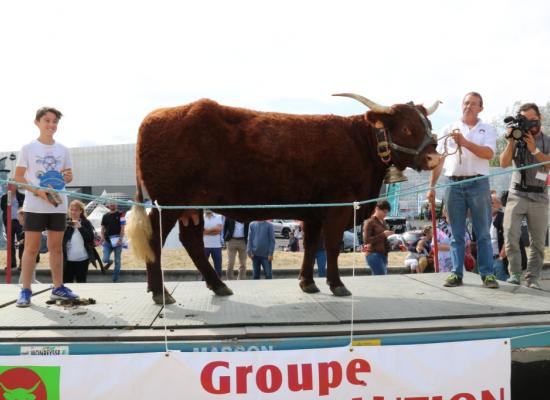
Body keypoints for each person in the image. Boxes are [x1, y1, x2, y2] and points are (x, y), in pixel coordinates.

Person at [427, 92, 498, 289]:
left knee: (482, 232)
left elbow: (489, 154)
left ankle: (487, 274)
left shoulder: (488, 129)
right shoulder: (448, 128)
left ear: (481, 108)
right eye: (466, 102)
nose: (469, 106)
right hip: (453, 184)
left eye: (474, 104)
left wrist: (465, 143)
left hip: (479, 183)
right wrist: (431, 187)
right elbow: (439, 160)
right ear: (461, 105)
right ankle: (456, 273)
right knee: (456, 234)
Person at [14, 106, 78, 307]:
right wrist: (39, 192)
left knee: (56, 248)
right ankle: (25, 290)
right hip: (34, 205)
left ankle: (58, 287)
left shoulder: (63, 150)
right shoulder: (28, 148)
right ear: (37, 123)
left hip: (58, 206)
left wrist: (68, 176)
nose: (51, 125)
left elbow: (68, 176)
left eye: (55, 122)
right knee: (31, 249)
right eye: (47, 121)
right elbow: (18, 178)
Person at [499, 103, 550, 290]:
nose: (529, 125)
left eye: (533, 120)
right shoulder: (516, 137)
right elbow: (503, 163)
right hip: (517, 194)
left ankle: (533, 278)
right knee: (510, 235)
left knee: (537, 242)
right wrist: (510, 141)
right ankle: (515, 274)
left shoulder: (548, 140)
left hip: (540, 197)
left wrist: (534, 150)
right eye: (525, 121)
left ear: (540, 118)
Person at [63, 200, 103, 283]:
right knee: (67, 282)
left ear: (81, 211)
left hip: (82, 259)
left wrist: (80, 227)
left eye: (76, 210)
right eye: (71, 210)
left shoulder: (86, 223)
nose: (73, 212)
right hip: (67, 259)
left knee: (81, 282)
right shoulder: (66, 222)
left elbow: (90, 239)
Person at [363, 200, 393, 275]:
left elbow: (384, 239)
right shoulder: (369, 222)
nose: (385, 214)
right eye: (384, 212)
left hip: (383, 255)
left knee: (378, 280)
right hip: (373, 254)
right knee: (381, 278)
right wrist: (383, 235)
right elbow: (366, 240)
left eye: (387, 212)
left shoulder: (383, 222)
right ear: (377, 209)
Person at [1, 186, 25, 270]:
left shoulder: (22, 196)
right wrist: (9, 201)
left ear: (16, 186)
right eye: (8, 185)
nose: (9, 186)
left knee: (22, 243)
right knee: (10, 244)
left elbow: (24, 209)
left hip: (20, 223)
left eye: (12, 184)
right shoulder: (4, 197)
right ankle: (12, 263)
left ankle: (22, 264)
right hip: (9, 222)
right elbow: (3, 208)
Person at [101, 202, 126, 282]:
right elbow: (102, 228)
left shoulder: (121, 214)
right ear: (108, 205)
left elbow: (122, 228)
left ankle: (114, 280)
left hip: (117, 242)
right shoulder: (105, 216)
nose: (112, 204)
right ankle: (109, 262)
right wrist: (102, 237)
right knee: (104, 259)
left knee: (117, 261)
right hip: (107, 242)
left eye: (114, 203)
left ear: (116, 205)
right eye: (110, 203)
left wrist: (120, 239)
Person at [490, 192, 508, 281]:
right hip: (487, 261)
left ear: (500, 205)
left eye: (492, 203)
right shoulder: (484, 219)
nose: (489, 205)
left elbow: (508, 239)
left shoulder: (504, 218)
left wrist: (501, 257)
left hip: (499, 261)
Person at [203, 210, 223, 277]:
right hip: (204, 246)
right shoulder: (201, 218)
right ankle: (204, 282)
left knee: (218, 268)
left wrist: (206, 231)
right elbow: (200, 231)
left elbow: (219, 230)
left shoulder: (219, 216)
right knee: (204, 267)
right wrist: (214, 230)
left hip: (216, 246)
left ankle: (219, 283)